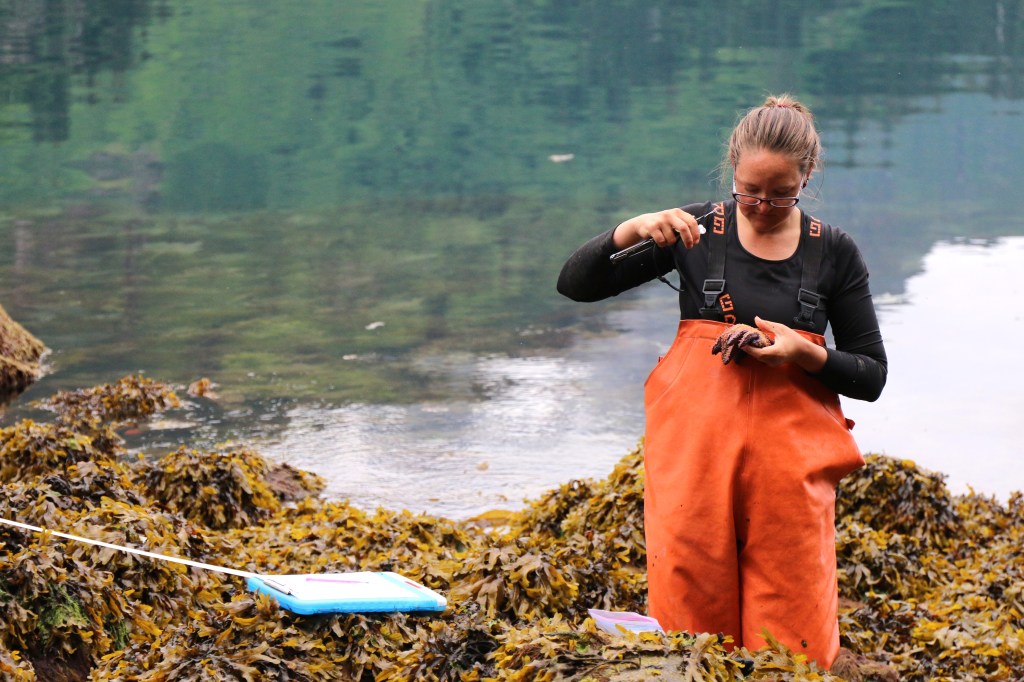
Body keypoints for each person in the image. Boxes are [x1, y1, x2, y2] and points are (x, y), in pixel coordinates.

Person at [556, 94, 887, 669]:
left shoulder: (833, 253)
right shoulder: (695, 233)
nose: (761, 206)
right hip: (693, 460)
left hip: (791, 472)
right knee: (688, 635)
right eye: (749, 192)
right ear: (732, 170)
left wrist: (801, 355)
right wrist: (627, 230)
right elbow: (577, 285)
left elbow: (871, 374)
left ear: (806, 177)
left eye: (780, 194)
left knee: (792, 643)